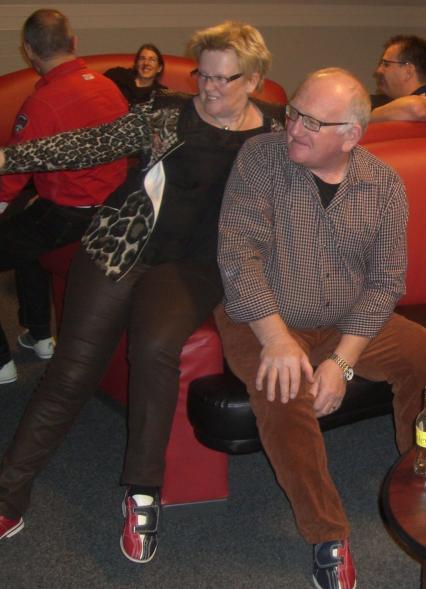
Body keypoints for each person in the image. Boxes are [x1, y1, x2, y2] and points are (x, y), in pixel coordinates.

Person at [0, 21, 283, 565]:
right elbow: (92, 142)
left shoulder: (274, 132)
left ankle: (142, 493)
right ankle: (9, 494)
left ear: (254, 80)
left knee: (155, 351)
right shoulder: (166, 113)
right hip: (121, 245)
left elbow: (332, 132)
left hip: (194, 265)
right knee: (72, 370)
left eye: (224, 79)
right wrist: (8, 159)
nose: (209, 89)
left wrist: (421, 107)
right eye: (203, 76)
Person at [215, 67, 426, 589]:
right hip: (264, 315)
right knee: (283, 386)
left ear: (351, 136)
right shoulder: (259, 159)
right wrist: (277, 339)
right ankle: (327, 534)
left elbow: (386, 283)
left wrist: (342, 362)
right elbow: (238, 256)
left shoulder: (383, 185)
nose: (294, 128)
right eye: (294, 113)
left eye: (313, 123)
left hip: (347, 319)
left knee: (422, 353)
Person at [0, 9, 129, 384]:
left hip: (69, 217)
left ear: (28, 50)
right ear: (74, 42)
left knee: (23, 224)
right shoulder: (108, 87)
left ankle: (2, 363)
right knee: (24, 229)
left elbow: (12, 174)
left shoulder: (42, 104)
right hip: (113, 209)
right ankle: (40, 335)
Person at [371, 34, 426, 122]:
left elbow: (417, 108)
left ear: (408, 71)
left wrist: (368, 117)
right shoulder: (400, 110)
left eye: (386, 64)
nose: (378, 70)